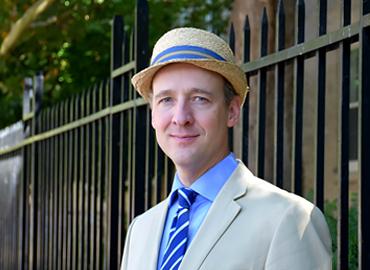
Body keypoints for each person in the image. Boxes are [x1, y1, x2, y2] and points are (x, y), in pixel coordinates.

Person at [120, 27, 332, 270]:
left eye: (200, 98)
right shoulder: (140, 229)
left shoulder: (290, 219)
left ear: (232, 111)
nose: (181, 117)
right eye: (166, 99)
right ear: (153, 115)